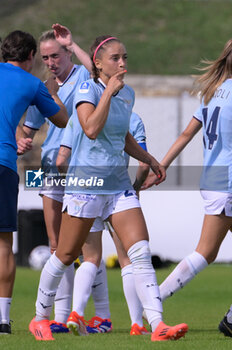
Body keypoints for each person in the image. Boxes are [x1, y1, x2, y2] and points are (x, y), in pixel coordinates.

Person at [29, 34, 188, 342]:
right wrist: (108, 94)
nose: (123, 63)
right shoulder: (88, 89)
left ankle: (157, 326)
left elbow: (123, 136)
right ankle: (39, 318)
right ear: (98, 64)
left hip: (117, 186)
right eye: (116, 58)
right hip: (86, 184)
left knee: (140, 252)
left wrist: (149, 158)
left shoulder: (126, 94)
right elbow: (90, 129)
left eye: (125, 57)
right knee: (64, 254)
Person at [141, 39, 232, 337]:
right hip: (228, 183)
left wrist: (162, 165)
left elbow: (185, 134)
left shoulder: (211, 93)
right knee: (205, 252)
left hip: (211, 180)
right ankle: (152, 302)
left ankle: (230, 319)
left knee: (206, 251)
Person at [19, 23, 91, 333]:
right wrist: (22, 140)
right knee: (55, 245)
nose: (50, 63)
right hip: (49, 168)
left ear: (67, 54)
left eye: (55, 56)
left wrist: (73, 44)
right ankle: (60, 319)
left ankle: (93, 314)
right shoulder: (42, 87)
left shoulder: (83, 77)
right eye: (45, 58)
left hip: (82, 167)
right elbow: (29, 129)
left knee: (86, 246)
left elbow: (97, 69)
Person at [0, 29, 68, 334]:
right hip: (4, 165)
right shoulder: (32, 83)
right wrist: (50, 89)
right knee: (3, 244)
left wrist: (17, 136)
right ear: (30, 57)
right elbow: (63, 118)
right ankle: (2, 319)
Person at [61, 111, 150, 335]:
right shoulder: (132, 118)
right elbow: (143, 165)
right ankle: (137, 324)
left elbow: (62, 159)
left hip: (84, 190)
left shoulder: (77, 117)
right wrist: (135, 189)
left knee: (89, 257)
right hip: (117, 192)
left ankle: (77, 313)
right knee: (128, 260)